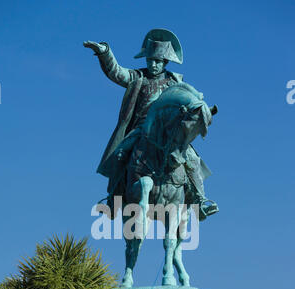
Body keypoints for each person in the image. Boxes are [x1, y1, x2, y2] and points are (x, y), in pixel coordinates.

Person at [84, 29, 218, 219]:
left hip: (169, 135)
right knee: (120, 153)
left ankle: (200, 201)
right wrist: (104, 52)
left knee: (192, 158)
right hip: (141, 130)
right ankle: (113, 199)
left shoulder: (175, 83)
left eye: (158, 61)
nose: (153, 64)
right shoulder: (138, 77)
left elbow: (192, 99)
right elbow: (116, 72)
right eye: (150, 60)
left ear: (165, 62)